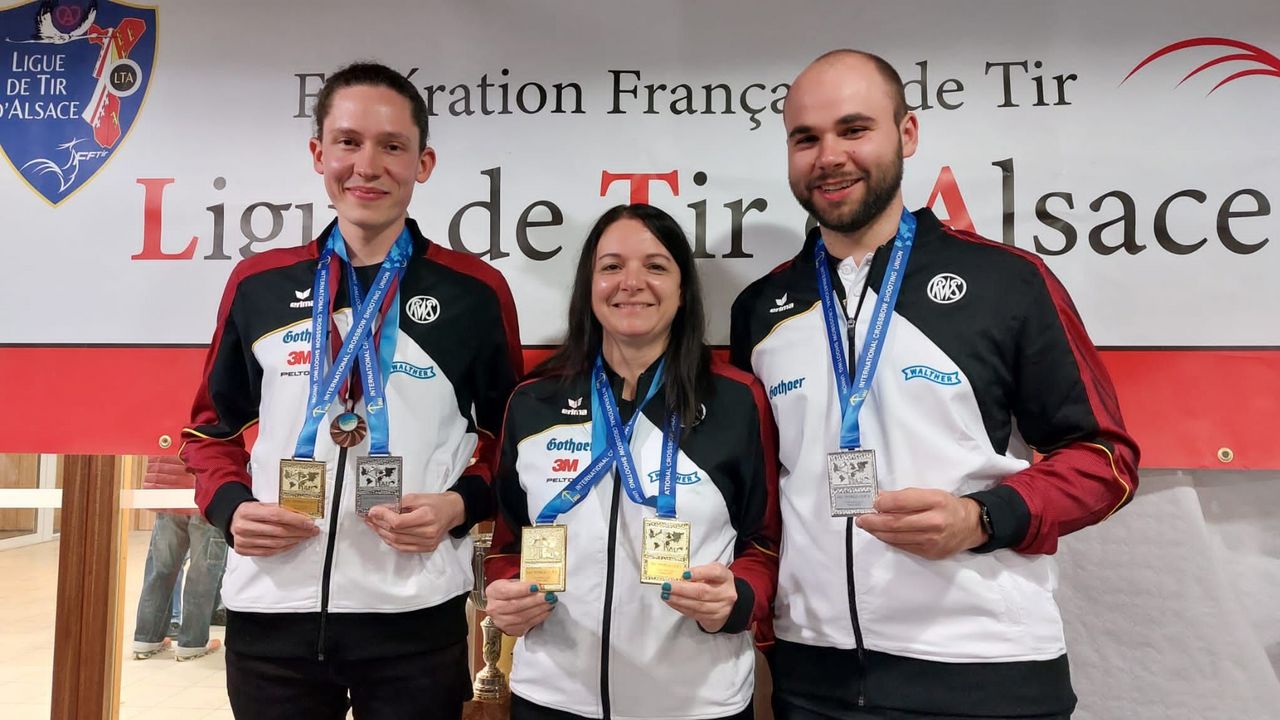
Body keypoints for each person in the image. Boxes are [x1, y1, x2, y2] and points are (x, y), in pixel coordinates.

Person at [729, 50, 1141, 719]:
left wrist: (981, 518)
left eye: (854, 129)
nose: (829, 155)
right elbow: (762, 497)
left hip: (985, 670)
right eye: (806, 138)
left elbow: (1105, 460)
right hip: (814, 676)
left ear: (908, 134)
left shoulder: (1007, 283)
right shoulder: (762, 307)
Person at [180, 62, 522, 720]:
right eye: (349, 142)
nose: (368, 165)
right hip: (271, 618)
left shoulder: (474, 293)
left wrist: (459, 505)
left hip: (413, 618)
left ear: (423, 163)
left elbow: (513, 443)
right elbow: (207, 432)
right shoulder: (260, 286)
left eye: (392, 146)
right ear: (319, 154)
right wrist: (229, 506)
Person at [484, 204, 781, 720]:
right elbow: (510, 541)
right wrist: (507, 593)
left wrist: (738, 599)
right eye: (612, 266)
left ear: (684, 288)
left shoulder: (738, 400)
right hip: (551, 696)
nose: (632, 283)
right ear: (589, 284)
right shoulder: (533, 402)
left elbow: (766, 542)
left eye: (656, 266)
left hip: (697, 702)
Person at [131, 455, 226, 662]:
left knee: (161, 568)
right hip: (209, 489)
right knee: (203, 572)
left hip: (169, 489)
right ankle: (192, 643)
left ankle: (146, 638)